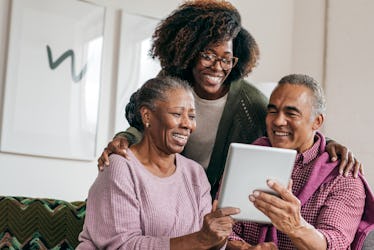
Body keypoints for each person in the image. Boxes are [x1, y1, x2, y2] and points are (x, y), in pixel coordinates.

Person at [98, 0, 362, 199]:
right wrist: (127, 138)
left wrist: (331, 144)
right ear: (188, 51)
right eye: (208, 55)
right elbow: (146, 122)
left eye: (226, 58)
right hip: (163, 193)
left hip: (215, 205)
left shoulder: (251, 103)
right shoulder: (171, 86)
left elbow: (285, 134)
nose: (218, 67)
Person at [77, 76, 244, 249]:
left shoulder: (195, 173)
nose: (188, 124)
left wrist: (218, 237)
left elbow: (207, 244)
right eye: (177, 114)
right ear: (147, 116)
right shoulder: (121, 167)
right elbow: (122, 245)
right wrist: (201, 239)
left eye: (192, 116)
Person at [227, 74, 371, 249]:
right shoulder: (245, 160)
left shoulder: (343, 177)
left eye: (291, 113)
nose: (278, 121)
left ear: (317, 121)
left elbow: (335, 243)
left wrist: (295, 226)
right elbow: (222, 226)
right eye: (273, 111)